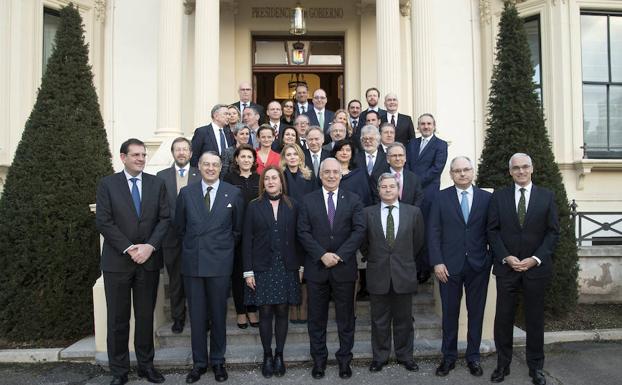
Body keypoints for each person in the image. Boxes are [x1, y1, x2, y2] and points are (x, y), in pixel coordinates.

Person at [95, 138, 169, 385]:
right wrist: (129, 248)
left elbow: (164, 219)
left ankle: (146, 367)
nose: (140, 159)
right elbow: (104, 221)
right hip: (117, 263)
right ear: (123, 157)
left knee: (145, 317)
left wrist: (149, 247)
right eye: (135, 155)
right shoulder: (108, 184)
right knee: (117, 319)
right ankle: (119, 371)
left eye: (143, 155)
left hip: (147, 261)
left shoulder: (156, 184)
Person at [488, 153, 559, 385]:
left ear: (532, 168)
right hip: (507, 268)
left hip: (535, 269)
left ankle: (536, 367)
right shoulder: (499, 197)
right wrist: (505, 257)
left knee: (535, 319)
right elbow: (493, 231)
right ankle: (502, 365)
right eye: (516, 168)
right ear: (510, 171)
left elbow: (552, 232)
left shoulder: (546, 196)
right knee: (503, 319)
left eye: (525, 167)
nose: (521, 171)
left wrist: (536, 258)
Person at [175, 151, 245, 383]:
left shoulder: (233, 193)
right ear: (199, 166)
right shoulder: (186, 193)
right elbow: (180, 228)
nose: (211, 168)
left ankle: (217, 361)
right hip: (193, 264)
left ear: (220, 167)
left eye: (215, 165)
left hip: (220, 264)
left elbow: (237, 230)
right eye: (207, 164)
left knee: (218, 314)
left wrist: (221, 248)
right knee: (196, 316)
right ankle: (199, 363)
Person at [297, 158, 366, 380]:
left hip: (344, 268)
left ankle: (345, 361)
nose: (331, 175)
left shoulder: (354, 200)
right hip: (317, 268)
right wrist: (322, 255)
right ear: (320, 174)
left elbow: (359, 231)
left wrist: (339, 256)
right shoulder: (308, 201)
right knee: (316, 319)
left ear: (341, 174)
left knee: (346, 319)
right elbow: (303, 232)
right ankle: (319, 361)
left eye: (335, 172)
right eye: (326, 172)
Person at [427, 156, 492, 378]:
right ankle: (449, 357)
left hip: (478, 266)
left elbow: (493, 231)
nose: (462, 174)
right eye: (457, 171)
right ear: (451, 174)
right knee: (450, 314)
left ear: (472, 172)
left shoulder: (486, 198)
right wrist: (437, 261)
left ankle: (473, 357)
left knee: (476, 313)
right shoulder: (440, 198)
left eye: (466, 170)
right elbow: (433, 231)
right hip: (448, 267)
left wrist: (489, 260)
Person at [243, 166, 303, 378]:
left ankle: (280, 355)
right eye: (266, 178)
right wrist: (247, 271)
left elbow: (299, 238)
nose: (270, 181)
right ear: (263, 183)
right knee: (265, 312)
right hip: (262, 267)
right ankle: (267, 355)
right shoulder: (253, 206)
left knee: (282, 311)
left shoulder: (293, 205)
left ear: (281, 181)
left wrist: (301, 266)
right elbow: (247, 240)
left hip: (286, 266)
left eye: (274, 178)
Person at [361, 173, 424, 373]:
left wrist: (402, 260)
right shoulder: (367, 213)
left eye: (391, 186)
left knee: (404, 319)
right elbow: (363, 244)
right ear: (378, 190)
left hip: (403, 273)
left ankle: (405, 356)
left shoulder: (413, 212)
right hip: (377, 272)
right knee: (379, 319)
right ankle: (380, 357)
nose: (388, 190)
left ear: (398, 190)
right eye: (384, 187)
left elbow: (418, 242)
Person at [156, 137, 201, 335]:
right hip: (171, 237)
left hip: (196, 238)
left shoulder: (200, 174)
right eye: (177, 150)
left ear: (191, 153)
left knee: (197, 280)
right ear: (173, 153)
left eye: (185, 149)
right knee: (175, 280)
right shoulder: (161, 176)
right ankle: (178, 318)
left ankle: (200, 317)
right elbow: (161, 207)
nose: (181, 153)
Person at [406, 113, 449, 283]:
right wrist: (411, 182)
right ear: (418, 126)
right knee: (411, 232)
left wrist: (415, 181)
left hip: (429, 195)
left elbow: (436, 169)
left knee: (425, 232)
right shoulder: (412, 144)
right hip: (410, 193)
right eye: (422, 124)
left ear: (434, 125)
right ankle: (412, 267)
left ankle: (424, 269)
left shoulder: (441, 145)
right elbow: (406, 164)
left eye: (428, 123)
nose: (425, 126)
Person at [223, 144, 260, 329]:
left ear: (254, 160)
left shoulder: (259, 179)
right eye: (242, 156)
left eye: (249, 157)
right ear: (236, 159)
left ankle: (252, 309)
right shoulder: (228, 179)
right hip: (236, 232)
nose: (246, 160)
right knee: (238, 274)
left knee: (254, 272)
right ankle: (240, 311)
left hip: (257, 233)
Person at [280, 143, 314, 324]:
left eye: (295, 154)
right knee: (290, 265)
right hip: (286, 225)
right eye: (288, 154)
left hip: (306, 224)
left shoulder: (309, 176)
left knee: (304, 266)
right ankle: (291, 308)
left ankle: (304, 309)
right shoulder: (280, 176)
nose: (292, 157)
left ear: (301, 157)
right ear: (284, 158)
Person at [373, 142, 424, 207]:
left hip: (408, 215)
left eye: (400, 155)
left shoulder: (414, 178)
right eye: (394, 155)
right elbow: (376, 200)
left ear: (405, 158)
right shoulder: (378, 177)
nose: (398, 158)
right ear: (388, 159)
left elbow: (418, 200)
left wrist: (410, 214)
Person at [331, 139, 373, 207]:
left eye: (348, 150)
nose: (344, 153)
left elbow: (365, 197)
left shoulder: (359, 174)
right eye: (341, 150)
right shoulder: (329, 173)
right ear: (335, 153)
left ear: (352, 154)